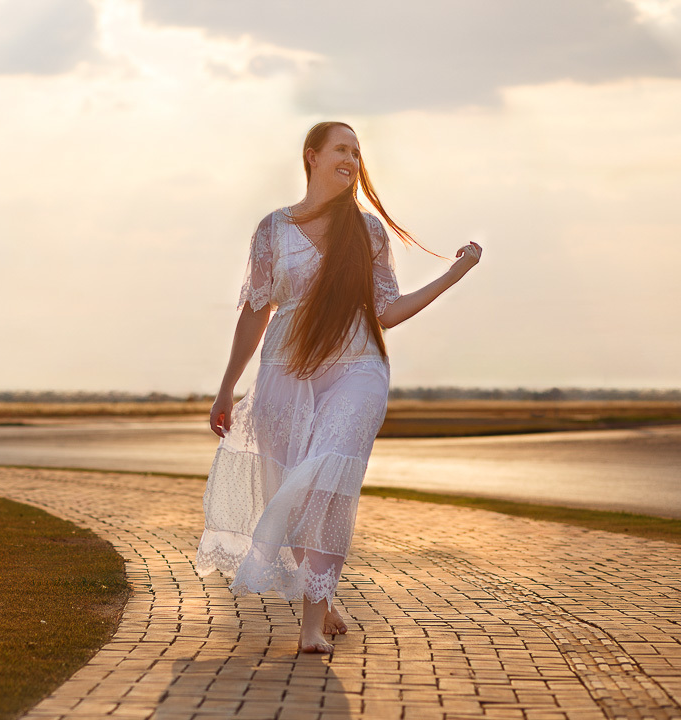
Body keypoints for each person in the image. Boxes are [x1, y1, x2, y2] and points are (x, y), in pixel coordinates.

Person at [195, 121, 482, 654]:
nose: (352, 157)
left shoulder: (367, 232)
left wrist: (455, 274)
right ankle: (322, 599)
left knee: (327, 480)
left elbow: (387, 311)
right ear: (312, 157)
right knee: (298, 494)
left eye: (357, 150)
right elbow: (255, 312)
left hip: (358, 367)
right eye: (341, 148)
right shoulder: (272, 230)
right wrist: (226, 389)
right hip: (286, 367)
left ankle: (309, 628)